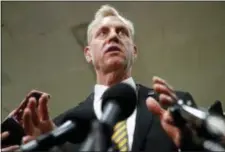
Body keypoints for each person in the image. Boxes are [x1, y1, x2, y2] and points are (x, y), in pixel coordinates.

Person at [2, 5, 201, 152]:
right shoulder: (60, 128)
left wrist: (190, 145)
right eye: (102, 33)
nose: (113, 37)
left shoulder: (173, 108)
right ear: (88, 53)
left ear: (134, 50)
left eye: (121, 32)